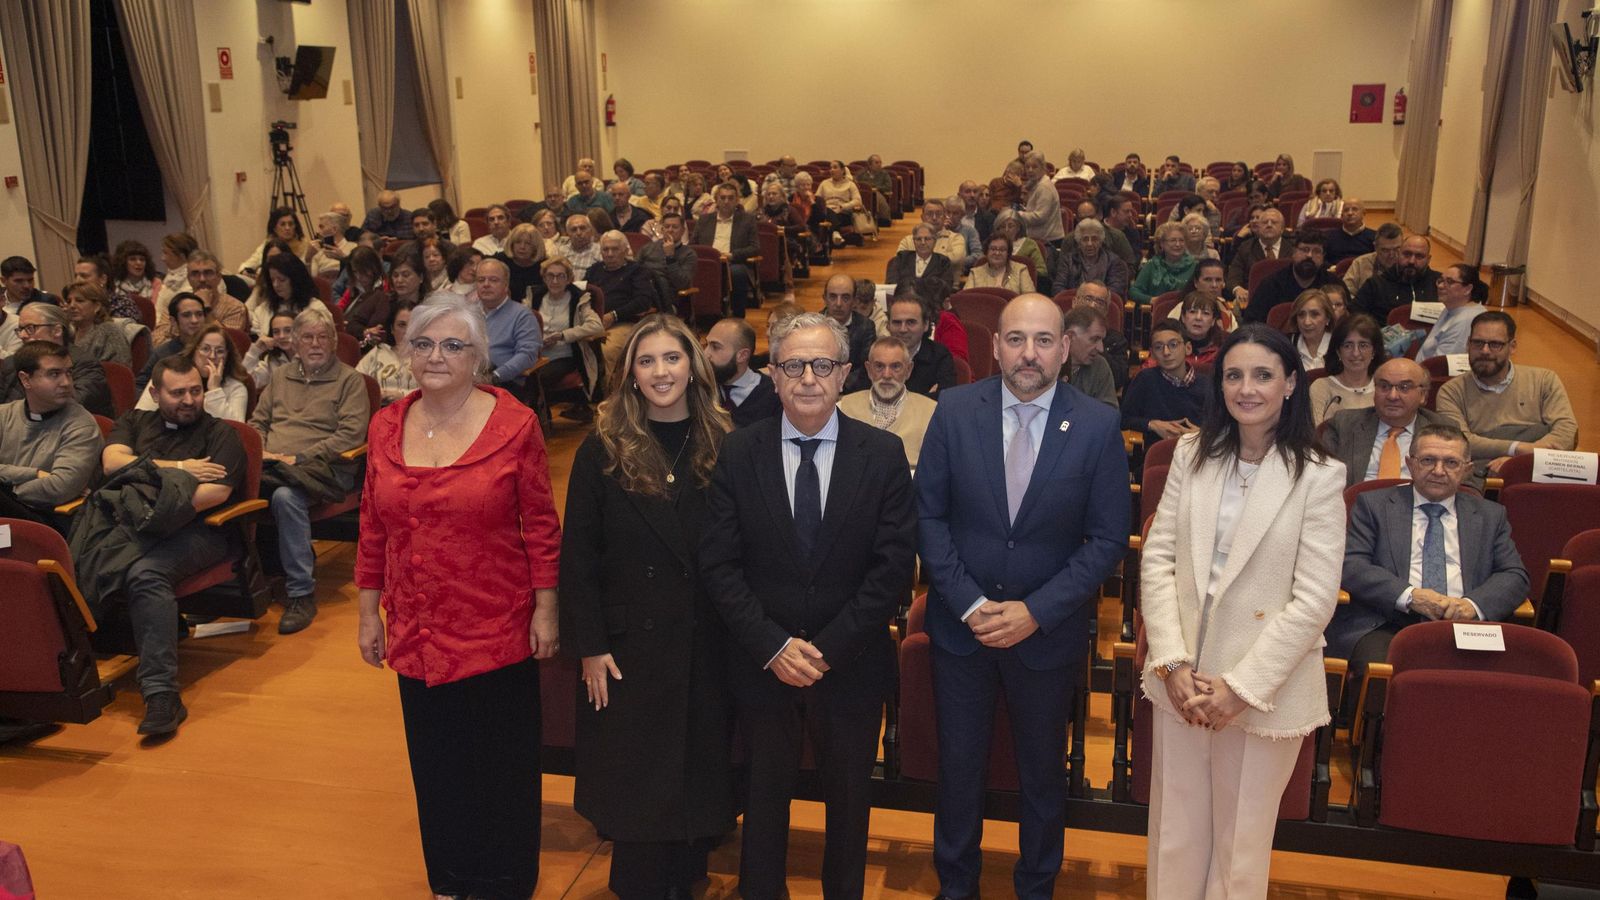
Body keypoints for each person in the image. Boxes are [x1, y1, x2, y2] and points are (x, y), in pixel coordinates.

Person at [700, 311, 917, 900]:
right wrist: (773, 646)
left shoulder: (883, 453)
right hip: (762, 661)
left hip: (848, 663)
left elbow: (893, 567)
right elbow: (719, 565)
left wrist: (827, 648)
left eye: (822, 365)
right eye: (792, 365)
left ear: (846, 374)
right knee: (763, 800)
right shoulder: (740, 452)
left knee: (849, 804)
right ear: (772, 374)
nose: (807, 379)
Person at [917, 292, 1127, 898]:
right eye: (1015, 340)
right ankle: (956, 887)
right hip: (963, 632)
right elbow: (929, 519)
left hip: (1048, 634)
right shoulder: (953, 410)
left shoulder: (1097, 424)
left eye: (1042, 340)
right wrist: (972, 605)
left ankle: (1036, 887)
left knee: (1041, 776)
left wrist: (1036, 611)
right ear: (995, 347)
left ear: (1065, 349)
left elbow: (1108, 537)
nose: (1028, 354)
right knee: (958, 773)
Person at [355, 294, 560, 899]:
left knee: (501, 765)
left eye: (453, 345)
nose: (436, 356)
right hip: (417, 626)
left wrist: (547, 606)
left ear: (479, 357)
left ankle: (503, 882)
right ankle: (449, 878)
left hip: (496, 622)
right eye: (423, 343)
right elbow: (373, 524)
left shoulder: (514, 424)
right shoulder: (386, 425)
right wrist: (369, 611)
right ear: (406, 353)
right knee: (436, 765)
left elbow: (542, 526)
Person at [1140, 324, 1345, 898]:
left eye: (1262, 375)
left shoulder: (1320, 475)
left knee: (1240, 846)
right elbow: (1158, 561)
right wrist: (1172, 664)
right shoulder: (1190, 454)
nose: (1246, 388)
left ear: (1290, 384)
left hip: (1262, 684)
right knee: (1174, 832)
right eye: (1234, 375)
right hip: (1183, 675)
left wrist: (1240, 688)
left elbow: (1314, 600)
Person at [558, 314, 735, 897]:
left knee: (695, 770)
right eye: (647, 361)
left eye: (672, 358)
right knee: (638, 778)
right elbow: (578, 558)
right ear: (630, 374)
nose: (661, 372)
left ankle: (688, 875)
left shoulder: (726, 443)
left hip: (706, 639)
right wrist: (590, 646)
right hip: (628, 645)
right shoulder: (602, 448)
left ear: (694, 365)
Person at [99, 355, 249, 733]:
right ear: (154, 392)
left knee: (145, 574)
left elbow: (213, 493)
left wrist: (144, 485)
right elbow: (113, 463)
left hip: (199, 532)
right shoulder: (134, 422)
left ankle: (161, 693)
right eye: (178, 392)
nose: (188, 400)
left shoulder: (221, 434)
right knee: (82, 554)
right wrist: (179, 469)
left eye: (196, 391)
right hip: (138, 525)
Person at [1333, 423, 1529, 710]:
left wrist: (1472, 606)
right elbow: (1351, 564)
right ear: (1410, 464)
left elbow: (1514, 575)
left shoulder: (1490, 515)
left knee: (1503, 683)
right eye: (1428, 460)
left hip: (1466, 627)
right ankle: (1379, 749)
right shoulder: (1374, 505)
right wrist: (1411, 596)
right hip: (1388, 623)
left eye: (1451, 462)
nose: (1438, 470)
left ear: (1467, 469)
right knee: (1386, 677)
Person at [253, 309, 370, 633]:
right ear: (294, 343)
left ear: (333, 342)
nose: (315, 344)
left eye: (322, 337)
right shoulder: (280, 377)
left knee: (286, 497)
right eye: (307, 337)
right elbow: (258, 422)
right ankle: (237, 587)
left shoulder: (350, 380)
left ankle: (301, 593)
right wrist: (262, 451)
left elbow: (350, 435)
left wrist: (300, 457)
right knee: (227, 485)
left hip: (325, 469)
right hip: (275, 464)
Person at [1435, 310, 1578, 478]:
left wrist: (1521, 459)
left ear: (1512, 347)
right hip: (1479, 474)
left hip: (1536, 471)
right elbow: (1459, 442)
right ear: (1468, 344)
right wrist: (1518, 448)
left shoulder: (1544, 380)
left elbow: (1567, 431)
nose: (1485, 351)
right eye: (1478, 343)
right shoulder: (1451, 391)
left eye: (1495, 344)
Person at [0, 341, 103, 529]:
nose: (66, 383)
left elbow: (60, 487)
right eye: (54, 374)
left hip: (46, 521)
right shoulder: (3, 414)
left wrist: (7, 489)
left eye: (69, 373)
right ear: (25, 380)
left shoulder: (82, 425)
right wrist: (34, 474)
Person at [1320, 357, 1445, 487]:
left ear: (1423, 395)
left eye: (1404, 387)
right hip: (1356, 504)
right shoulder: (1344, 424)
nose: (1392, 396)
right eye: (1384, 386)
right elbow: (1323, 479)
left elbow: (1461, 484)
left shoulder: (1442, 429)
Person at [838, 335, 937, 467]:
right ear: (868, 369)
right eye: (879, 366)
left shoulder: (932, 412)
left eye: (896, 367)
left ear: (908, 370)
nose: (886, 375)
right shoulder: (843, 407)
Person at [0, 303, 112, 418]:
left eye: (30, 328)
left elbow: (70, 408)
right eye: (21, 329)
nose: (22, 335)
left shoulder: (85, 365)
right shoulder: (12, 363)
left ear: (56, 331)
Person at [532, 256, 605, 419]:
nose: (555, 281)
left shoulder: (579, 299)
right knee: (520, 374)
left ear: (569, 279)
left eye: (561, 276)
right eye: (550, 276)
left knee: (540, 377)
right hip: (537, 353)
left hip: (565, 355)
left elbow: (596, 325)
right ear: (544, 278)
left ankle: (540, 416)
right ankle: (534, 415)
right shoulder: (536, 297)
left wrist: (563, 335)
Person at [135, 323, 250, 421]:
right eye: (205, 349)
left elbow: (236, 432)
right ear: (194, 351)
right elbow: (140, 417)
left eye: (220, 351)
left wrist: (215, 390)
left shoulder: (236, 389)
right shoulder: (168, 376)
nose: (212, 356)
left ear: (227, 355)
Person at [1122, 320, 1205, 447]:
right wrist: (1152, 424)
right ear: (1153, 354)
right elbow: (1124, 419)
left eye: (1173, 345)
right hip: (1156, 456)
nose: (1166, 352)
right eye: (1159, 347)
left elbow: (1221, 428)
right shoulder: (1145, 379)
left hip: (1198, 455)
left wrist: (1201, 434)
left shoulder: (1207, 385)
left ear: (1188, 348)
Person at [474, 259, 543, 396]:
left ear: (506, 285)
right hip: (467, 380)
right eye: (481, 280)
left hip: (503, 383)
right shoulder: (467, 314)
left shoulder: (522, 315)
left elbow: (527, 355)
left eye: (493, 280)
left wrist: (495, 376)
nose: (486, 285)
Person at [155, 251, 247, 344]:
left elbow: (228, 343)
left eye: (208, 273)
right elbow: (156, 341)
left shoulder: (235, 307)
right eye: (195, 274)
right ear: (189, 279)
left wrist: (206, 308)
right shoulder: (177, 303)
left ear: (218, 277)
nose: (202, 279)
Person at [1247, 230, 1337, 324]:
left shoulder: (1333, 284)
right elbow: (1252, 322)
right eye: (1304, 250)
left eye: (1316, 251)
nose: (1309, 255)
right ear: (1293, 252)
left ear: (1323, 256)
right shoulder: (1271, 285)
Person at [704, 317, 780, 429]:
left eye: (715, 347)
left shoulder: (773, 395)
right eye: (706, 345)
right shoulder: (703, 388)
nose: (705, 354)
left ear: (742, 355)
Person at [1310, 313, 1384, 425]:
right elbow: (1316, 437)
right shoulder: (1321, 388)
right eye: (1348, 346)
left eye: (1363, 345)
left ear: (1374, 351)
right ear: (1338, 351)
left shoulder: (1385, 388)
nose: (1355, 353)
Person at [1353, 235, 1438, 322]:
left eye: (1419, 256)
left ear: (1428, 259)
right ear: (1398, 254)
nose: (1411, 261)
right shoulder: (1375, 284)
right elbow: (1355, 318)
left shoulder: (1440, 284)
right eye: (1407, 254)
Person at [886, 294, 956, 399]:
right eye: (897, 322)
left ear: (926, 325)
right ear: (888, 325)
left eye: (911, 322)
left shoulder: (940, 356)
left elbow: (945, 402)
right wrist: (923, 399)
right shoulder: (875, 354)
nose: (903, 329)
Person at [249, 253, 332, 338]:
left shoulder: (316, 309)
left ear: (295, 280)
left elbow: (327, 342)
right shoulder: (262, 310)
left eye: (282, 280)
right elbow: (255, 345)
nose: (276, 285)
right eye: (272, 280)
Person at [1417, 264, 1488, 361]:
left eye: (1450, 282)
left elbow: (1441, 365)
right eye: (1441, 280)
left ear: (1467, 289)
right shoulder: (1451, 307)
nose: (1441, 286)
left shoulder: (1465, 321)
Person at [822, 274, 879, 394]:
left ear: (854, 301)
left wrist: (837, 387)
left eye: (845, 298)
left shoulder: (866, 327)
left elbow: (865, 368)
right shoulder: (813, 326)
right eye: (833, 297)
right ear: (824, 298)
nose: (838, 303)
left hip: (852, 392)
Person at [1224, 207, 1288, 308]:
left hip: (1285, 301)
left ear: (1282, 229)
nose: (1269, 225)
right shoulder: (1245, 248)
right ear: (1258, 227)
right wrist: (1237, 289)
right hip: (1252, 302)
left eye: (1274, 222)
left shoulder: (1292, 248)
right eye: (1265, 222)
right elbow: (1233, 276)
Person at [357, 303, 418, 405]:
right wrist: (376, 394)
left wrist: (403, 396)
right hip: (377, 412)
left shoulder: (428, 357)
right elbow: (354, 383)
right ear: (392, 329)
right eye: (401, 325)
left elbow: (436, 392)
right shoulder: (378, 352)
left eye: (413, 325)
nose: (407, 331)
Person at [1053, 218, 1129, 298]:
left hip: (1102, 305)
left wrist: (1090, 299)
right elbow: (1057, 288)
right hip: (1073, 305)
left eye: (1094, 239)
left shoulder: (1114, 262)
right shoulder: (1068, 260)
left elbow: (1115, 291)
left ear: (1101, 241)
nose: (1089, 243)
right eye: (1085, 239)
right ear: (1079, 242)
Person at [62, 282, 132, 366]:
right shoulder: (68, 332)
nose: (72, 306)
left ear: (97, 306)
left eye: (79, 301)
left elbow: (119, 370)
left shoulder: (109, 331)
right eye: (69, 301)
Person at [1063, 306, 1117, 408]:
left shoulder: (1099, 366)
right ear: (1070, 337)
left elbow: (1108, 414)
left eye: (1101, 340)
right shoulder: (1047, 363)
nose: (1101, 349)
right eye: (1094, 339)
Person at [636, 210, 698, 300]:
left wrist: (670, 257)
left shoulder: (689, 254)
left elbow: (682, 284)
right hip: (644, 291)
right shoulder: (648, 248)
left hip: (668, 299)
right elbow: (633, 270)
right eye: (667, 227)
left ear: (682, 231)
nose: (670, 230)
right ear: (662, 229)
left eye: (675, 227)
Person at [1131, 222, 1196, 304]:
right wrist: (1151, 300)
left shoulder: (1194, 266)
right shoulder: (1151, 265)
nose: (1178, 244)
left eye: (1181, 240)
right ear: (1162, 244)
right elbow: (1134, 291)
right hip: (1157, 313)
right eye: (1173, 240)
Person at [238, 206, 312, 278]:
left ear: (295, 226)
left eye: (290, 224)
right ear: (274, 228)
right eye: (283, 224)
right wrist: (245, 272)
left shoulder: (304, 245)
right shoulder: (268, 245)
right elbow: (246, 265)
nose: (287, 228)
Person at [810, 160, 867, 249]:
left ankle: (833, 234)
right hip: (827, 210)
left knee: (831, 214)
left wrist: (843, 206)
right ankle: (835, 233)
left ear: (843, 170)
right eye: (831, 168)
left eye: (835, 167)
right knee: (827, 212)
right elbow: (817, 199)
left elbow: (858, 201)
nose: (832, 170)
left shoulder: (850, 184)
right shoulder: (824, 183)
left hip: (843, 213)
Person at [1015, 150, 1065, 247]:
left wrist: (1017, 215)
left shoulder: (1044, 187)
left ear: (1043, 168)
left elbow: (1040, 217)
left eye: (1034, 167)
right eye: (1027, 167)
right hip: (1041, 239)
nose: (1030, 170)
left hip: (1048, 242)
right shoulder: (1035, 184)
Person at [1341, 221, 1404, 297]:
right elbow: (1346, 292)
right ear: (1375, 247)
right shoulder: (1360, 263)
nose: (1391, 255)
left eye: (1397, 249)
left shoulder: (1409, 264)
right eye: (1385, 250)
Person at [886, 222, 956, 289]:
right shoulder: (902, 258)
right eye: (919, 239)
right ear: (914, 241)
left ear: (935, 241)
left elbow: (945, 287)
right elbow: (891, 284)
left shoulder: (943, 262)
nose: (923, 243)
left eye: (927, 239)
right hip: (904, 299)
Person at [967, 232, 1036, 293]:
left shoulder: (1021, 270)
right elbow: (966, 299)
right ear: (986, 251)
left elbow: (1030, 298)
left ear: (1008, 253)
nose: (997, 253)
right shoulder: (975, 273)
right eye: (993, 249)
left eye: (1002, 250)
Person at [497, 223, 548, 307]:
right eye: (518, 242)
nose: (522, 247)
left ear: (536, 246)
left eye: (528, 243)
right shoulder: (500, 261)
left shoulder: (545, 265)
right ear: (512, 244)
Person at [244, 313, 298, 390]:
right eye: (276, 332)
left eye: (288, 330)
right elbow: (248, 382)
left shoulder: (311, 358)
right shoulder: (272, 360)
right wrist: (255, 351)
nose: (281, 336)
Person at [991, 209, 1047, 283]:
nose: (1006, 230)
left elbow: (1042, 271)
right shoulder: (992, 243)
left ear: (1018, 228)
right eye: (1003, 227)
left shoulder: (1030, 244)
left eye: (1011, 226)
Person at [1286, 288, 1336, 370]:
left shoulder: (1340, 346)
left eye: (1314, 314)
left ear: (1328, 318)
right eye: (1301, 315)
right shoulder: (1286, 345)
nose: (1307, 322)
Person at [1325, 198, 1375, 263]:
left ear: (1363, 213)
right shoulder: (1330, 236)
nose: (1350, 213)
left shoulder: (1374, 237)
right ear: (1341, 215)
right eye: (1346, 210)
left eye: (1354, 209)